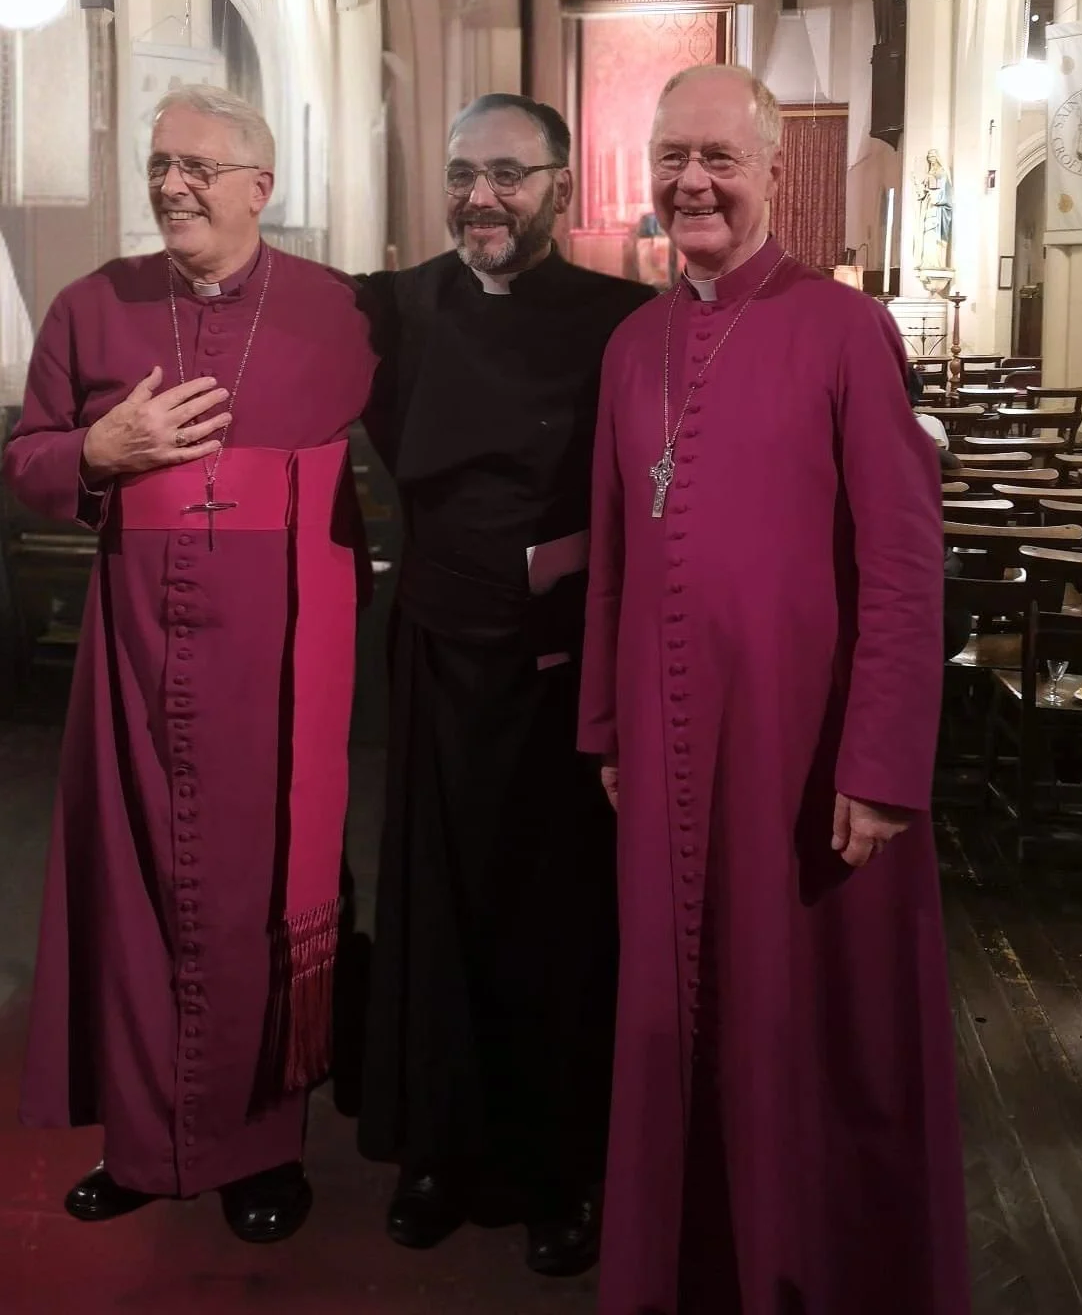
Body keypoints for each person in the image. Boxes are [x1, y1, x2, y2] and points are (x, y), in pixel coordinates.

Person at [579, 65, 969, 1314]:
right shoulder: (632, 346)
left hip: (806, 756)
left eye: (721, 159)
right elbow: (612, 554)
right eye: (674, 158)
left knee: (808, 1024)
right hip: (668, 744)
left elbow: (909, 565)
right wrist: (605, 728)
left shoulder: (844, 330)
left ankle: (812, 1270)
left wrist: (884, 760)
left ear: (769, 170)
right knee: (678, 1021)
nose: (694, 183)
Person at [2, 86, 376, 1244]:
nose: (171, 186)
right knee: (130, 893)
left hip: (273, 670)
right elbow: (24, 460)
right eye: (160, 165)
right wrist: (97, 453)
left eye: (199, 168)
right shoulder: (89, 306)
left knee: (261, 901)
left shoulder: (341, 316)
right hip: (129, 659)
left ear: (262, 187)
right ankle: (141, 1143)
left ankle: (259, 1154)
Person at [357, 94, 649, 1278]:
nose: (483, 197)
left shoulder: (626, 322)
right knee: (435, 907)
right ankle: (438, 1152)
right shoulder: (391, 310)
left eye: (511, 177)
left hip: (566, 659)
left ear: (562, 191)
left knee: (558, 919)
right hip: (434, 643)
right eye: (465, 173)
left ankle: (559, 1168)